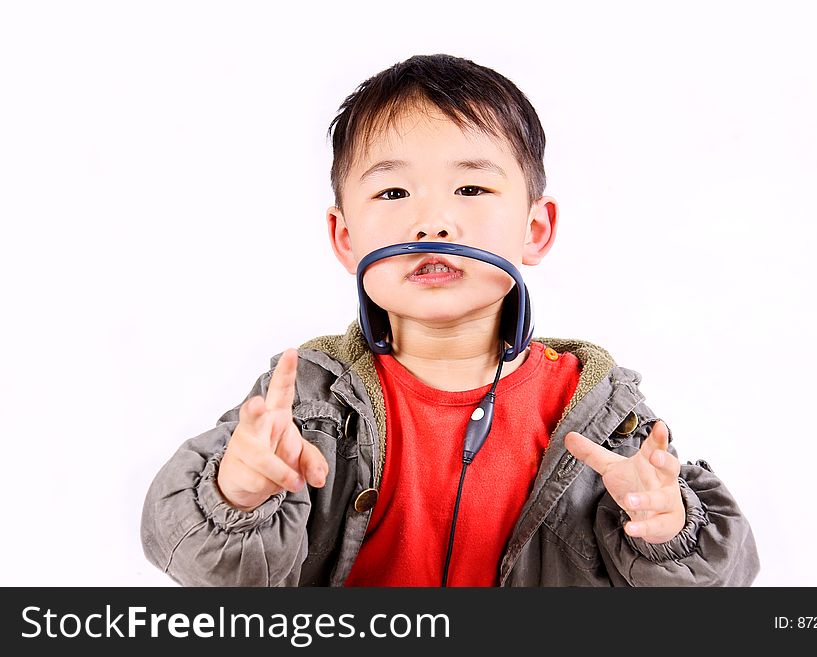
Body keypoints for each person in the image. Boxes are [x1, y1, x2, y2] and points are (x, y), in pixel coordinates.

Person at [141, 53, 760, 587]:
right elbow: (201, 564)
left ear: (535, 229)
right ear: (345, 237)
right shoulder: (303, 400)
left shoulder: (599, 410)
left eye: (470, 191)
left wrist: (667, 530)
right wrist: (236, 495)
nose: (432, 224)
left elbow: (716, 586)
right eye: (393, 193)